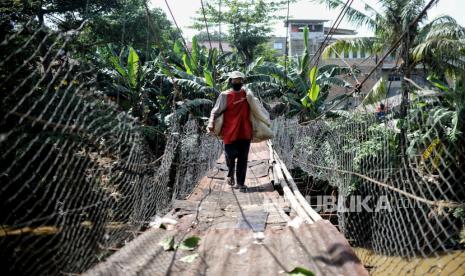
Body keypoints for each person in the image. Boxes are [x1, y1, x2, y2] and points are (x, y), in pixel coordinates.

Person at [208, 71, 252, 191]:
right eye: (234, 80)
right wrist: (211, 122)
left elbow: (257, 107)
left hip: (245, 132)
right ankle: (230, 173)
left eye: (239, 80)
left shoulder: (247, 94)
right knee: (230, 156)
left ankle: (241, 183)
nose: (237, 82)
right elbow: (215, 111)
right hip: (230, 132)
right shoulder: (225, 95)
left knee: (243, 160)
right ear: (230, 81)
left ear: (242, 81)